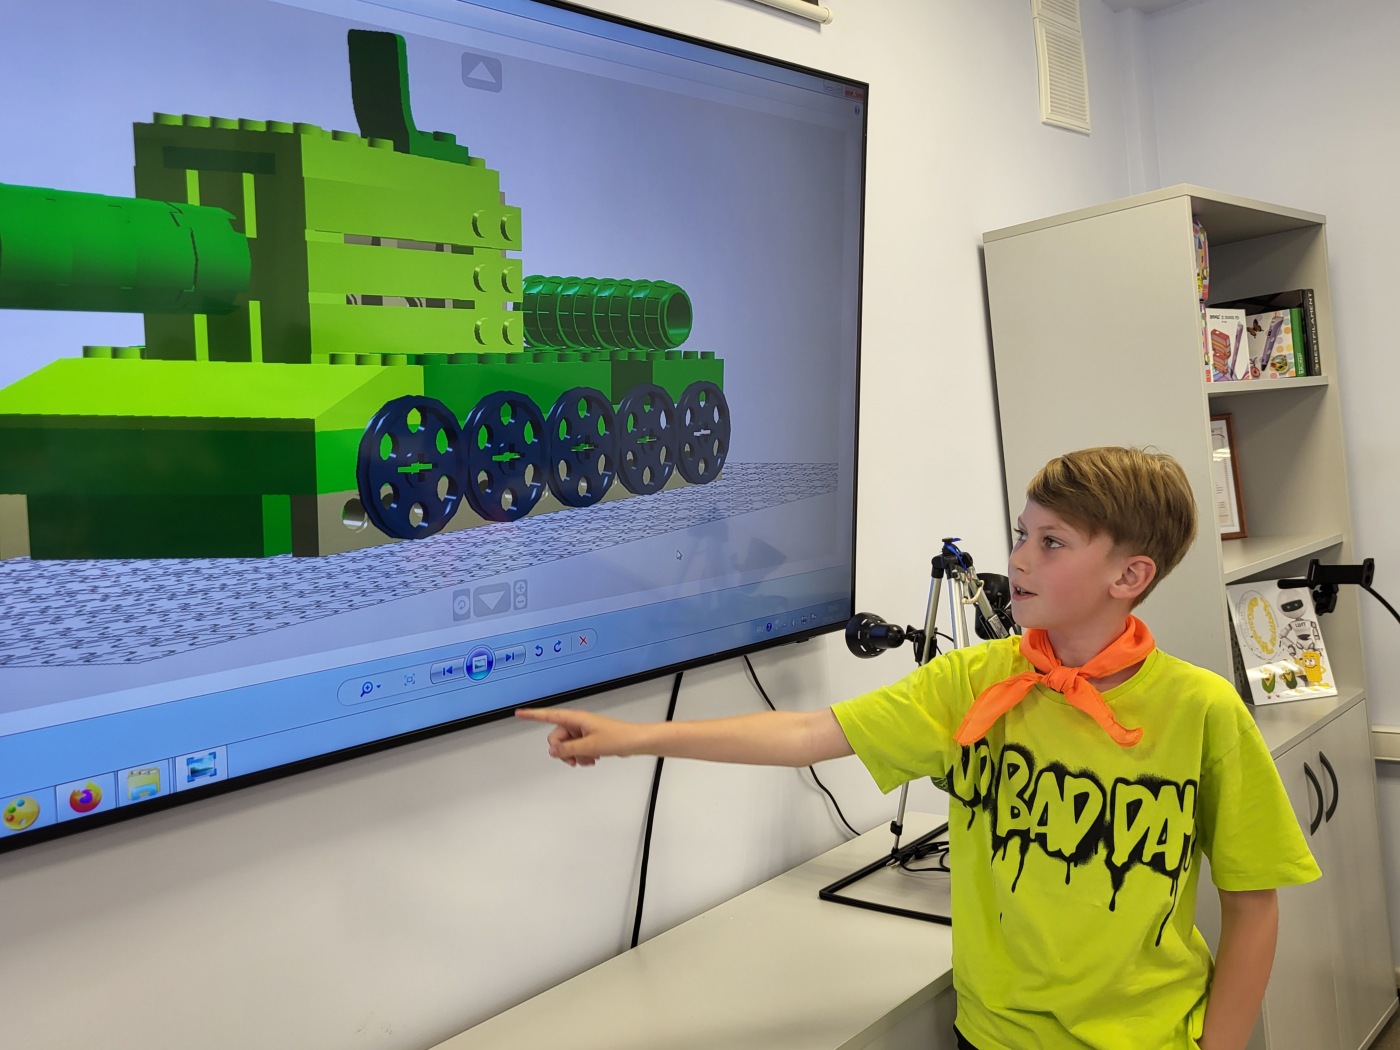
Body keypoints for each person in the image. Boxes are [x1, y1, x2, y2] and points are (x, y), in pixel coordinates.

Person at [516, 446, 1320, 1050]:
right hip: (992, 1034)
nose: (1018, 558)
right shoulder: (972, 681)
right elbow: (806, 733)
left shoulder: (1201, 710)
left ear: (1129, 576)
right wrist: (635, 737)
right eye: (1023, 534)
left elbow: (1253, 903)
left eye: (1053, 543)